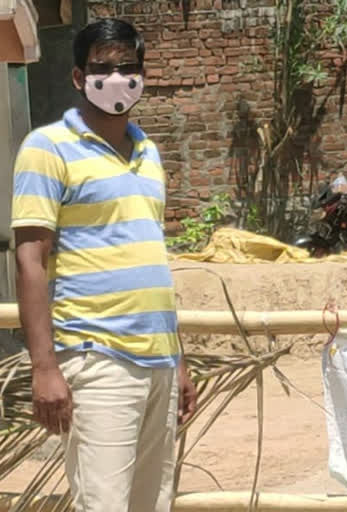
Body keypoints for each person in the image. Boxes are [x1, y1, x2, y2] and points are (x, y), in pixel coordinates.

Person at [11, 18, 197, 512]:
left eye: (128, 68)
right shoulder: (46, 149)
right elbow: (31, 259)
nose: (117, 78)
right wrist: (45, 367)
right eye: (102, 68)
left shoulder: (149, 153)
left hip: (157, 361)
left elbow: (150, 258)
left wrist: (176, 359)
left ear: (142, 75)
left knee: (152, 504)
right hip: (98, 359)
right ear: (78, 77)